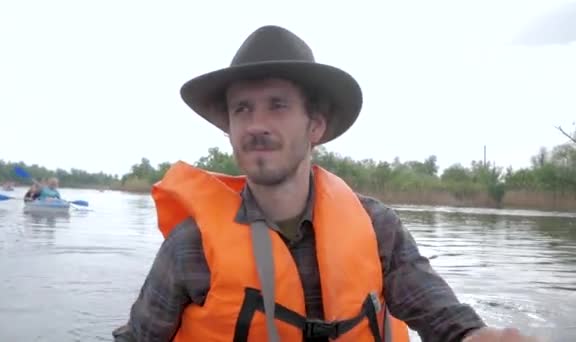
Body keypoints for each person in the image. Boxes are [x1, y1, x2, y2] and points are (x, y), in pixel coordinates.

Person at [113, 26, 542, 342]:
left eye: (277, 106)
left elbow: (442, 316)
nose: (256, 125)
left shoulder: (378, 228)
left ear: (315, 125)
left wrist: (473, 336)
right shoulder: (189, 247)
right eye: (242, 109)